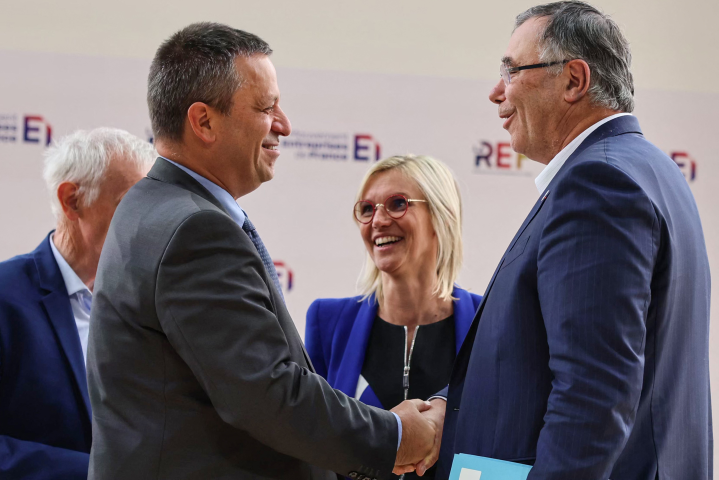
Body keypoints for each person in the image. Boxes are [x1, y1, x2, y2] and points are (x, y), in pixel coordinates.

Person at [86, 22, 437, 480]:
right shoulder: (196, 229)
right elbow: (269, 395)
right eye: (266, 107)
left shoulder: (152, 205)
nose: (284, 125)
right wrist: (396, 436)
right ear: (204, 121)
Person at [423, 2, 712, 479]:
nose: (497, 92)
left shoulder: (598, 183)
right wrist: (444, 407)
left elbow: (592, 397)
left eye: (512, 71)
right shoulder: (650, 169)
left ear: (574, 80)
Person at [306, 154, 481, 479]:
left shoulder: (488, 322)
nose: (378, 221)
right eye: (367, 209)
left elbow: (505, 445)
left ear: (439, 215)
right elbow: (307, 440)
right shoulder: (327, 321)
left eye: (397, 204)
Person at [0, 128, 154, 479]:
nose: (148, 225)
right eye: (131, 205)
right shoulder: (6, 298)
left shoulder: (149, 308)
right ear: (72, 201)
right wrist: (95, 473)